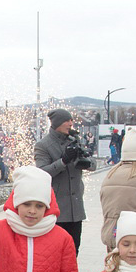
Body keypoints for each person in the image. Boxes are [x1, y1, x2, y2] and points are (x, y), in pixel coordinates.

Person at [35, 109, 91, 254]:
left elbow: (93, 164)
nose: (71, 123)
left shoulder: (74, 140)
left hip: (76, 209)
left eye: (71, 120)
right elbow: (42, 172)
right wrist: (64, 161)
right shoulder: (43, 145)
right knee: (54, 252)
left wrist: (84, 159)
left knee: (73, 250)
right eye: (67, 120)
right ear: (58, 123)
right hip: (57, 209)